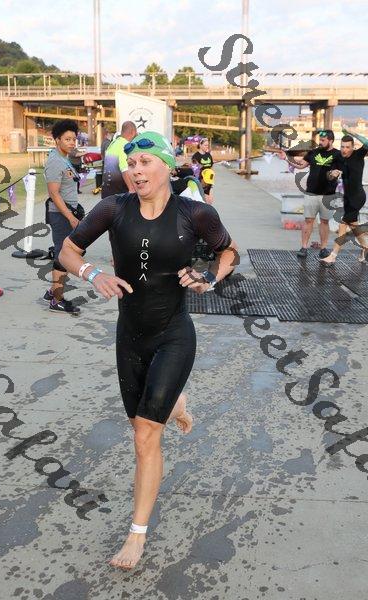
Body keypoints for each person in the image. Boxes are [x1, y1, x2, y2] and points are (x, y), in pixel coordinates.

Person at [58, 131, 238, 570]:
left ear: (167, 166)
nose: (136, 171)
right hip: (130, 337)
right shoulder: (112, 208)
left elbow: (228, 252)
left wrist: (208, 278)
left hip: (174, 334)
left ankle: (136, 534)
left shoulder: (196, 213)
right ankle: (177, 403)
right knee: (143, 420)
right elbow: (68, 250)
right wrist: (92, 273)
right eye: (131, 164)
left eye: (145, 163)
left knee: (144, 435)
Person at [279, 130, 342, 258]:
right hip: (311, 193)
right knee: (308, 220)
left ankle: (323, 248)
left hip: (328, 195)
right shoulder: (313, 152)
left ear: (330, 141)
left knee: (324, 221)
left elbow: (341, 170)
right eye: (320, 139)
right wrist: (286, 158)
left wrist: (336, 173)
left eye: (323, 140)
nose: (320, 142)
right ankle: (304, 247)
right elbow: (300, 165)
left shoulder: (337, 154)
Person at [44, 119, 84, 314]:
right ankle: (56, 300)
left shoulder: (64, 158)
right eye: (67, 139)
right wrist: (70, 217)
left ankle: (53, 291)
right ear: (57, 140)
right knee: (63, 255)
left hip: (68, 212)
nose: (71, 142)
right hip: (61, 215)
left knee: (67, 253)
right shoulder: (55, 161)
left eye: (73, 139)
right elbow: (54, 194)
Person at [320, 130, 368, 265]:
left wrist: (351, 132)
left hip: (358, 197)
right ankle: (366, 247)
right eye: (342, 146)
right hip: (348, 198)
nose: (344, 149)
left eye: (347, 147)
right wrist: (332, 174)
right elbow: (328, 176)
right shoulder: (339, 159)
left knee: (343, 223)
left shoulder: (358, 154)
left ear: (353, 147)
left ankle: (333, 256)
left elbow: (367, 143)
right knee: (354, 226)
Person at [101, 121, 137, 197]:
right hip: (118, 193)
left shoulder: (114, 143)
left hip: (107, 191)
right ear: (133, 132)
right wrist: (132, 189)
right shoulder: (125, 145)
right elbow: (124, 169)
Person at [192, 138, 214, 204]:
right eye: (205, 145)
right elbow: (195, 170)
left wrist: (211, 177)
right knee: (202, 201)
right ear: (200, 145)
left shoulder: (209, 155)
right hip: (201, 181)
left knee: (210, 200)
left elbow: (212, 167)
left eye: (207, 145)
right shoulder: (195, 156)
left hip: (209, 180)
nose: (207, 147)